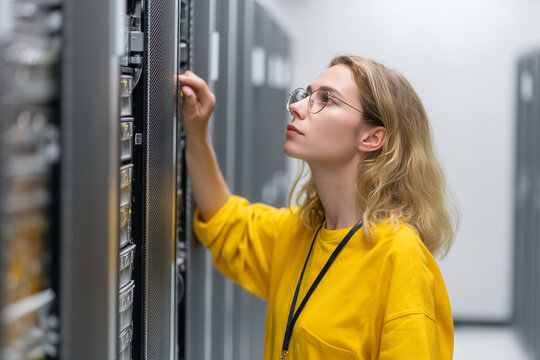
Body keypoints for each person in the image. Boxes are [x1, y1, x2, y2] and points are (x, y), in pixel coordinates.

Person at [178, 55, 459, 360]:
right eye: (307, 95)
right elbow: (226, 222)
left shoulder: (400, 258)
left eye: (326, 99)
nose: (296, 107)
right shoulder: (301, 231)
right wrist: (196, 131)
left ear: (371, 137)